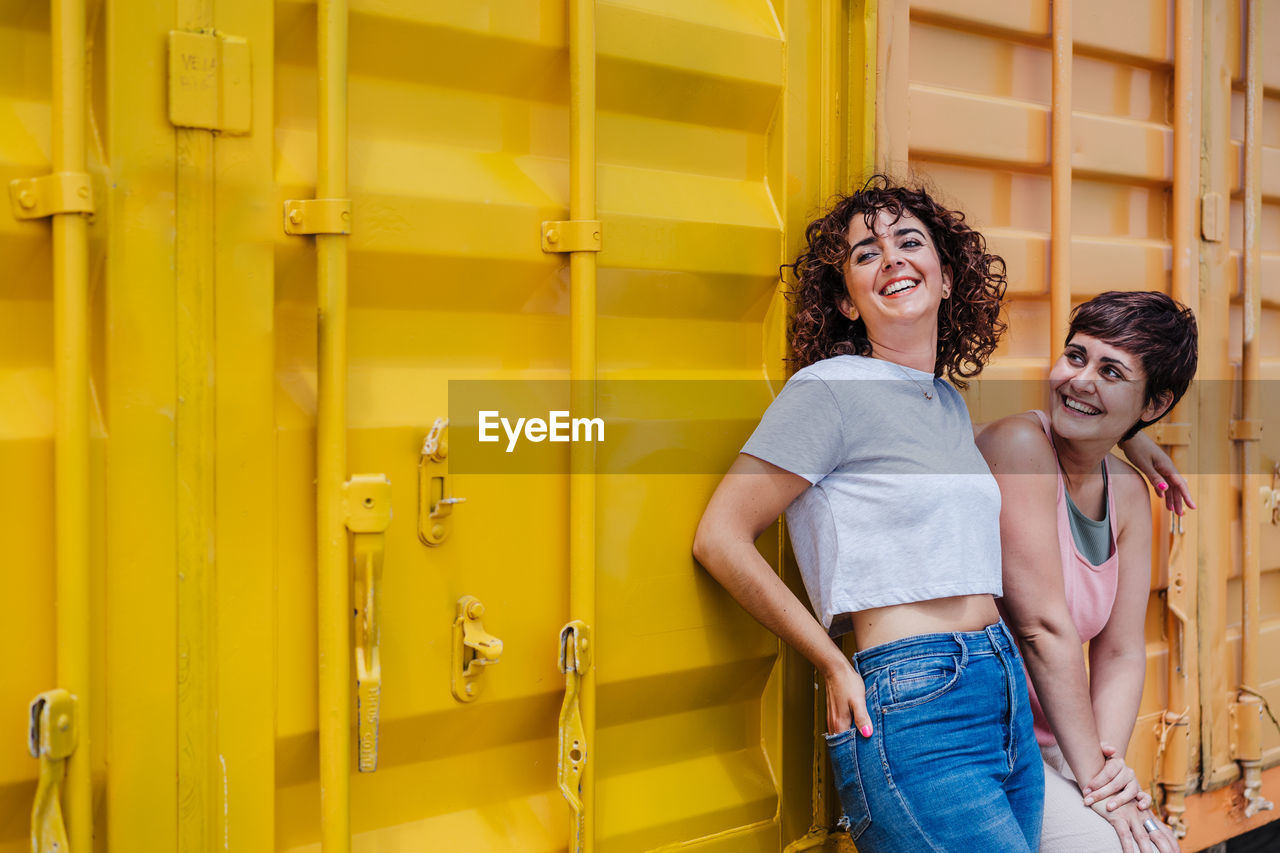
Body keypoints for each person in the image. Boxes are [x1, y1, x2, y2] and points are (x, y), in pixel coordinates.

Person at [693, 176, 1045, 851]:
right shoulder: (827, 391)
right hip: (913, 701)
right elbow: (720, 536)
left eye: (909, 241)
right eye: (865, 253)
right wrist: (832, 660)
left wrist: (1136, 436)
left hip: (999, 687)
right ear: (849, 305)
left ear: (947, 279)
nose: (891, 258)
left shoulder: (944, 401)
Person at [976, 291, 1196, 853]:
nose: (1080, 380)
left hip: (1062, 745)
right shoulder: (1018, 445)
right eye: (1076, 357)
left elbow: (1120, 651)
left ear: (1154, 404)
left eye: (1111, 371)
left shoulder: (1127, 492)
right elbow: (1040, 629)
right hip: (989, 743)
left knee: (1151, 847)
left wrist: (1105, 767)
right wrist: (1102, 787)